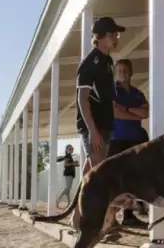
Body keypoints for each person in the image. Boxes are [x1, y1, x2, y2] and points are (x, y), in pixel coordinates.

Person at [72, 16, 124, 227]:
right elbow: (82, 99)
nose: (116, 38)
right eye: (112, 34)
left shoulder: (108, 62)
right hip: (93, 127)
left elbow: (108, 97)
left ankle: (76, 219)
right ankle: (104, 222)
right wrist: (93, 131)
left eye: (116, 34)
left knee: (89, 174)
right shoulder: (88, 64)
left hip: (105, 125)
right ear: (100, 37)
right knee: (101, 177)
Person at [110, 58, 150, 226]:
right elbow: (114, 113)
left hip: (135, 138)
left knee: (133, 177)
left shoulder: (137, 93)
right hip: (117, 139)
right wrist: (135, 114)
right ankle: (111, 216)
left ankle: (128, 214)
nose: (122, 73)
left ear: (131, 72)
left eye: (125, 70)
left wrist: (126, 109)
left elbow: (146, 112)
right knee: (115, 179)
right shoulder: (112, 91)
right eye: (119, 70)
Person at [56, 144, 78, 209]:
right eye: (70, 149)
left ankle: (69, 203)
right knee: (67, 188)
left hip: (69, 174)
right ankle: (58, 199)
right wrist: (73, 163)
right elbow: (65, 165)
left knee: (68, 189)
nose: (71, 150)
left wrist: (74, 164)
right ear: (66, 150)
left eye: (72, 149)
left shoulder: (69, 156)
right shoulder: (68, 156)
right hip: (68, 173)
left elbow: (68, 164)